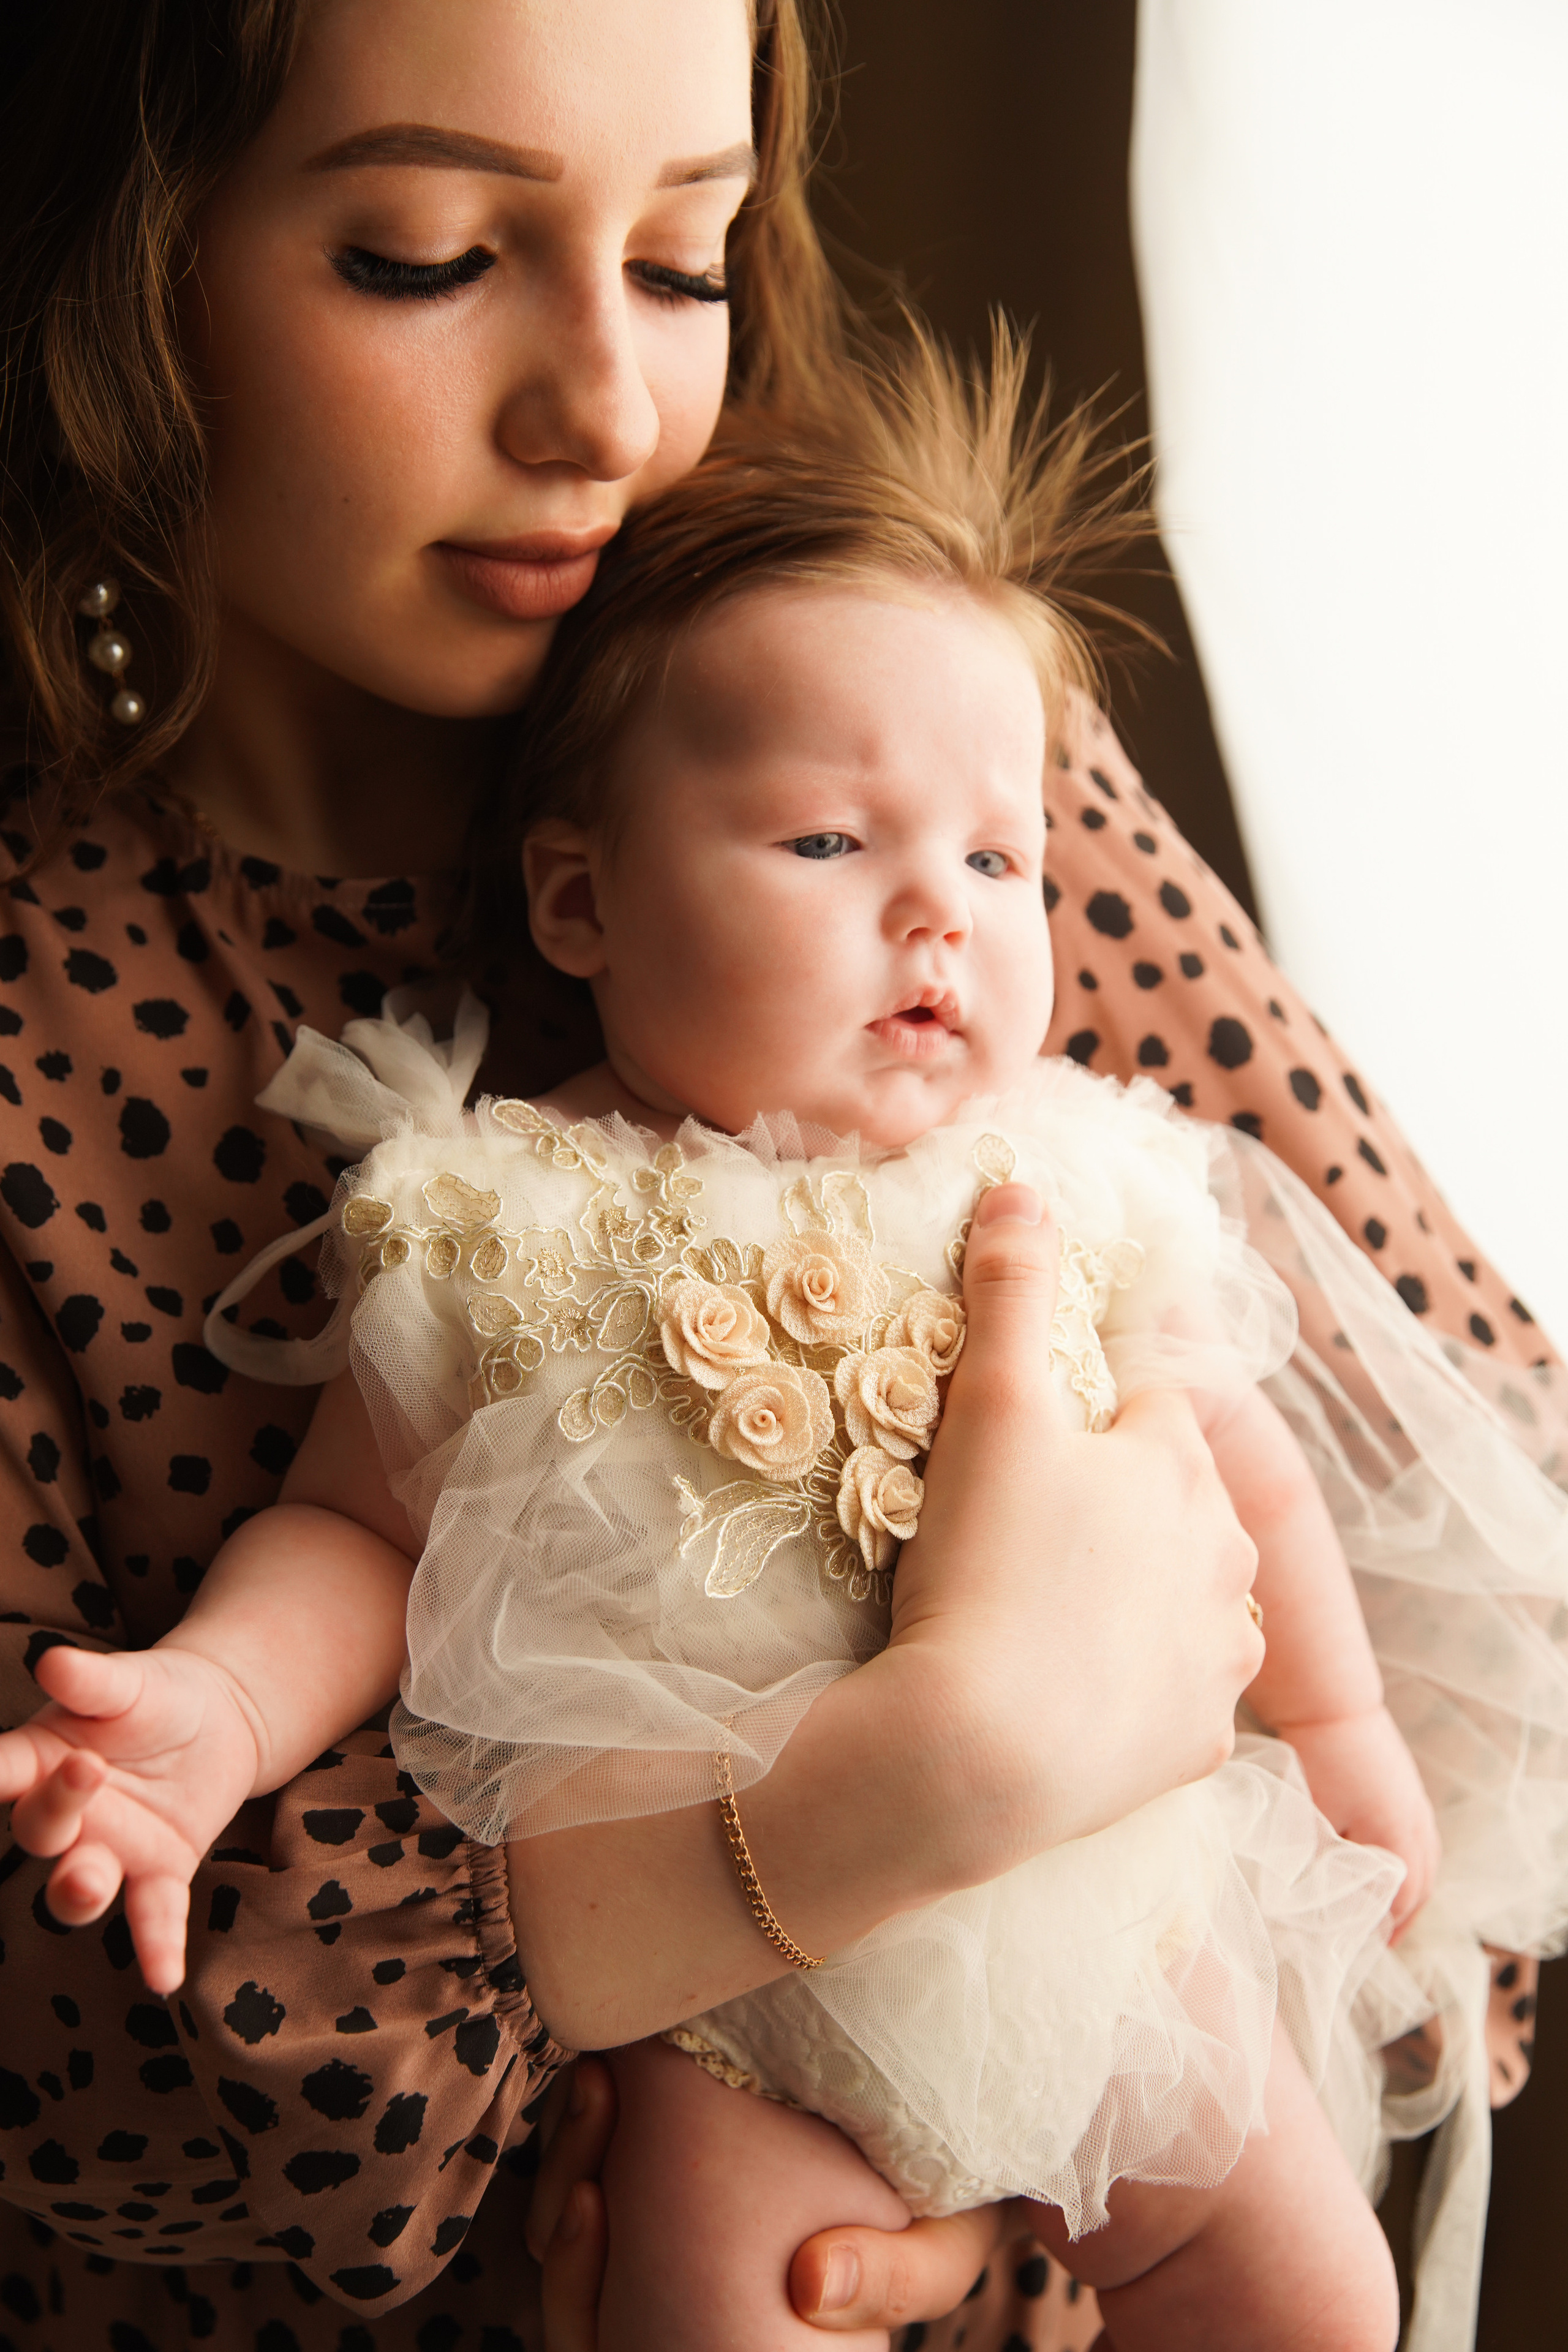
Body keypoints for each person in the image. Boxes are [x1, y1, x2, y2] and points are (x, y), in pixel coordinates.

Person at [0, 5, 1555, 2350]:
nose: (606, 417)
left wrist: (1039, 2184)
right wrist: (928, 1773)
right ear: (119, 262)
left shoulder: (907, 725)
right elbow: (85, 2089)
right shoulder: (96, 1036)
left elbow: (1473, 1515)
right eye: (426, 256)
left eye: (691, 259)